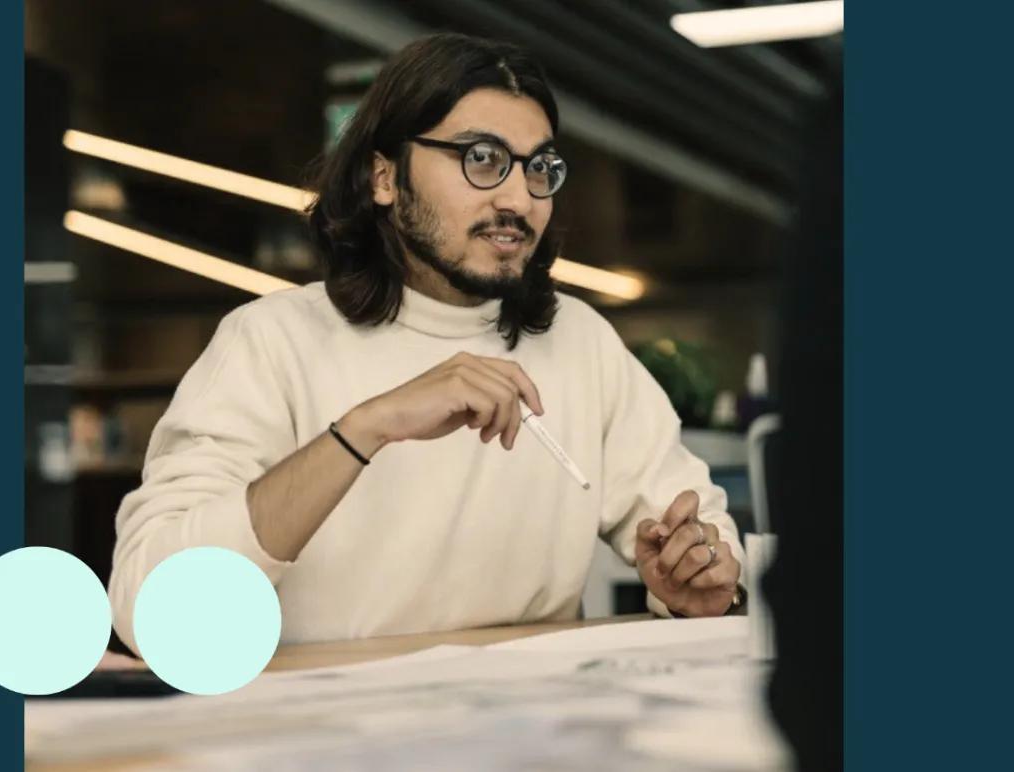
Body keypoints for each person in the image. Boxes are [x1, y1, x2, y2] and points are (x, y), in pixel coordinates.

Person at [108, 33, 745, 650]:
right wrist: (366, 428)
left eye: (540, 168)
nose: (519, 198)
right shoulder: (270, 341)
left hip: (530, 739)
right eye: (482, 159)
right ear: (384, 178)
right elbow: (149, 607)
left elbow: (702, 538)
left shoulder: (579, 342)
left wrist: (701, 575)